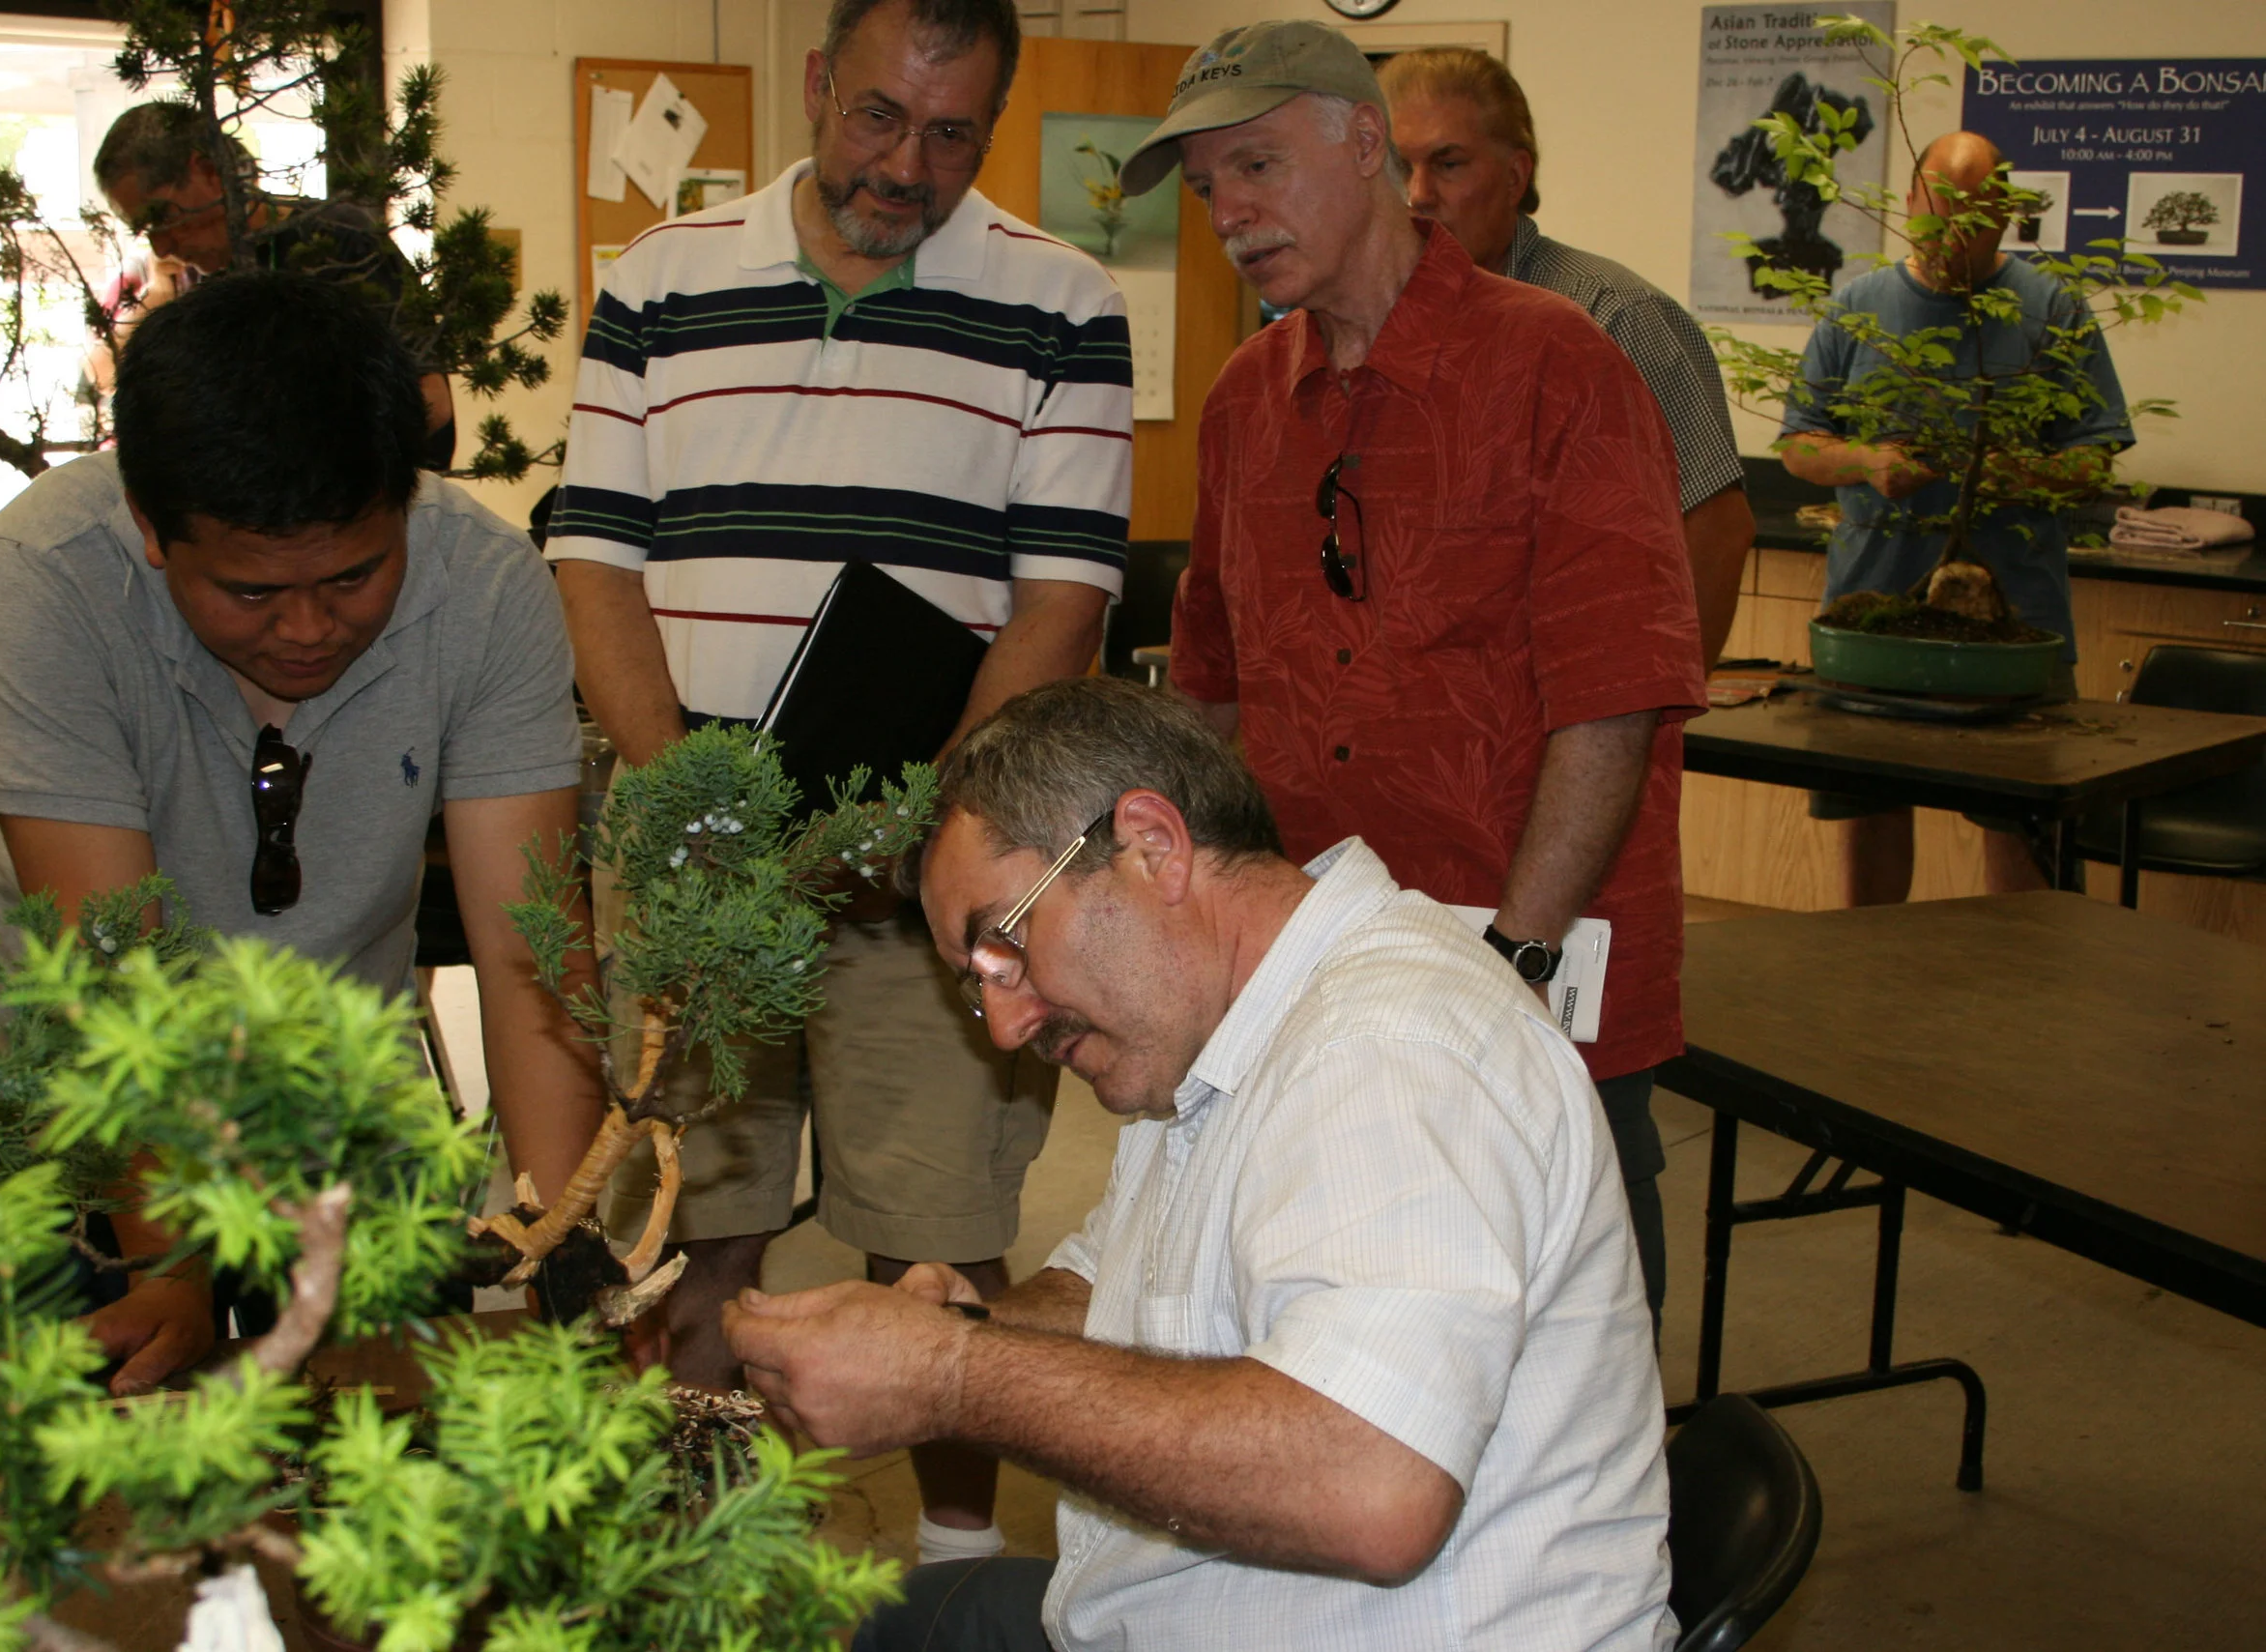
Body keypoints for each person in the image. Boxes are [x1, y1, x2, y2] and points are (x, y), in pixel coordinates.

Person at [724, 677, 1673, 1652]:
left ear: (1151, 845)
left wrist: (952, 1375)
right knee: (900, 1622)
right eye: (979, 986)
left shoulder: (1388, 1048)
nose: (1006, 1024)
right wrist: (948, 1327)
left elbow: (1371, 1485)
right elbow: (1118, 1284)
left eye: (1005, 946)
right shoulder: (1209, 1032)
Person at [541, 0, 1131, 1562]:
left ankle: (949, 1570)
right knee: (691, 1217)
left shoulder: (1063, 304)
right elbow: (597, 565)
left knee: (938, 1231)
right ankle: (697, 1538)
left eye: (951, 135)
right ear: (814, 85)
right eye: (876, 117)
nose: (904, 166)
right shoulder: (655, 285)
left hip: (930, 864)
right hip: (692, 848)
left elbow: (1060, 604)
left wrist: (924, 828)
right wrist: (684, 810)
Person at [0, 271, 606, 1392]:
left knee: (377, 1464)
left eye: (356, 575)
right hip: (86, 1122)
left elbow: (530, 956)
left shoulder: (487, 587)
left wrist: (569, 1244)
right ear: (152, 529)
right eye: (251, 593)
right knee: (102, 1490)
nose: (309, 628)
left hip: (338, 1096)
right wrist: (179, 1260)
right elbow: (109, 971)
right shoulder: (41, 582)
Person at [1147, 20, 1706, 1326]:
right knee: (1343, 1299)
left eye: (1258, 166)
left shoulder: (1558, 366)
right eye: (1207, 186)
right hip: (1318, 964)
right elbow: (1210, 697)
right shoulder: (1242, 405)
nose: (1231, 211)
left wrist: (1512, 959)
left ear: (1364, 145)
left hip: (1533, 955)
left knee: (1566, 1312)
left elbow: (1613, 697)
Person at [1779, 131, 2133, 906]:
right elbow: (1800, 444)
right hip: (1872, 614)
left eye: (1975, 222)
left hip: (2014, 627)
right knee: (1868, 807)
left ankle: (2025, 996)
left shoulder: (2052, 309)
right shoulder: (1858, 310)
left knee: (2024, 821)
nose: (1951, 242)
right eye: (1937, 219)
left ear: (2005, 215)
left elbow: (2094, 457)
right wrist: (1866, 462)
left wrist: (2010, 473)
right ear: (1908, 203)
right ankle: (1868, 981)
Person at [1381, 45, 1754, 668]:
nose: (1418, 194)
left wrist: (1649, 722)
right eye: (1398, 167)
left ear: (1514, 176)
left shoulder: (1613, 317)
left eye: (1448, 164)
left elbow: (1715, 528)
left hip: (1577, 711)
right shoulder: (1382, 324)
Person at [92, 101, 458, 465]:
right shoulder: (191, 275)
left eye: (164, 219)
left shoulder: (336, 243)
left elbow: (431, 404)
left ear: (209, 172)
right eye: (145, 230)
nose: (161, 245)